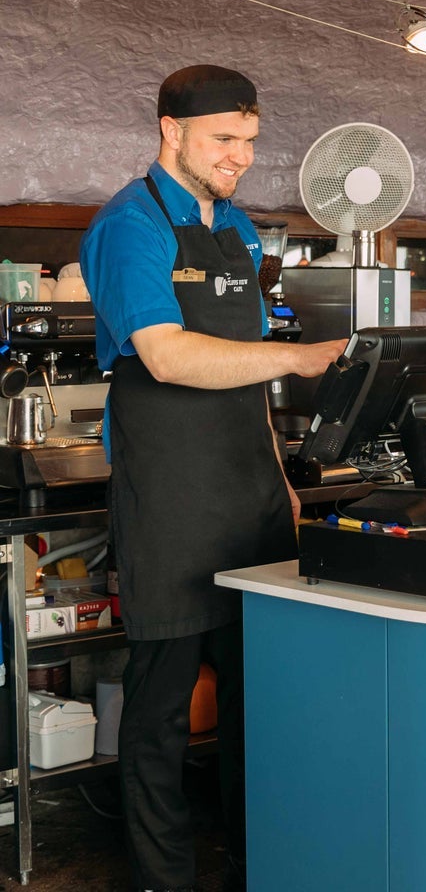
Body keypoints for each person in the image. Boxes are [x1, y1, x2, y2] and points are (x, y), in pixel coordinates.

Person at [80, 65, 348, 892]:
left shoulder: (238, 231)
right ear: (171, 131)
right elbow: (165, 353)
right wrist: (299, 355)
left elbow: (246, 381)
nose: (240, 157)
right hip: (170, 498)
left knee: (255, 697)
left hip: (249, 492)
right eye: (224, 140)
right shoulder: (132, 224)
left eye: (250, 142)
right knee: (160, 711)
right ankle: (166, 878)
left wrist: (280, 476)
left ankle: (252, 857)